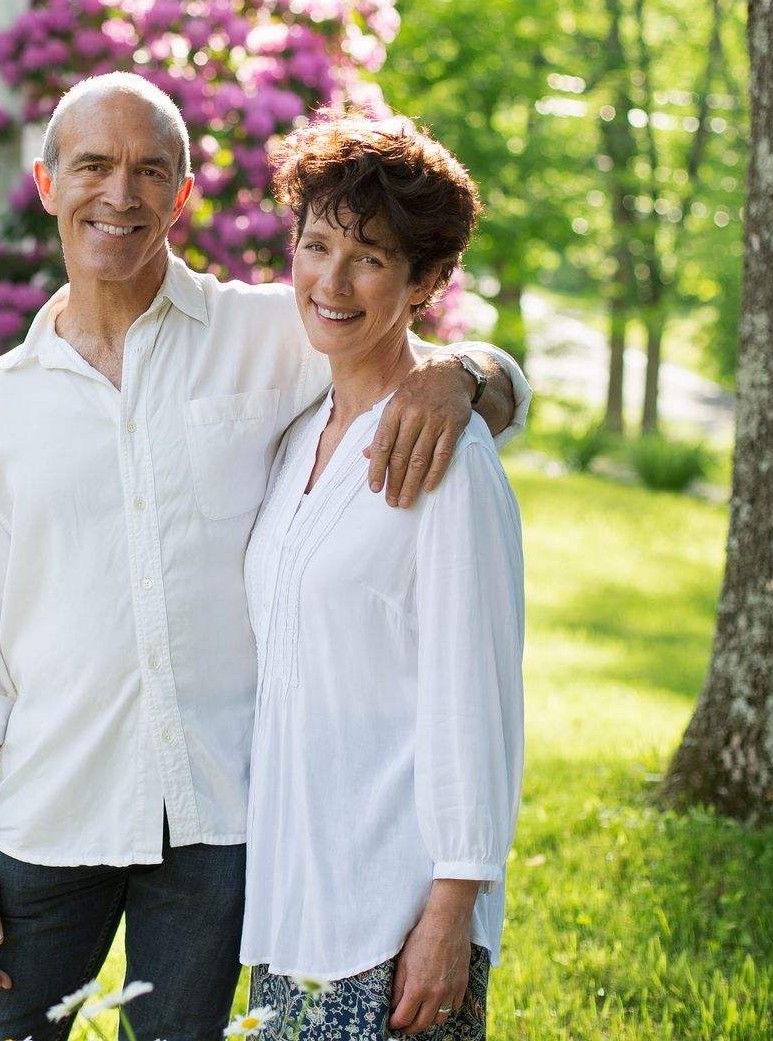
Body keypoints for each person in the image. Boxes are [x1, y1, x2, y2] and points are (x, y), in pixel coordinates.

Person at [0, 73, 531, 1041]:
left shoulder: (272, 332)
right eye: (92, 166)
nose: (118, 194)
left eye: (148, 170)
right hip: (49, 811)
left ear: (183, 195)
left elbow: (396, 339)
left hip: (219, 826)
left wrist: (467, 374)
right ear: (46, 182)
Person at [239, 114, 525, 1040]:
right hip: (291, 896)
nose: (330, 279)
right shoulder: (295, 437)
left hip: (392, 909)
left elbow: (475, 695)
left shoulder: (450, 456)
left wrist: (451, 911)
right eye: (315, 245)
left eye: (367, 258)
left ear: (427, 283)